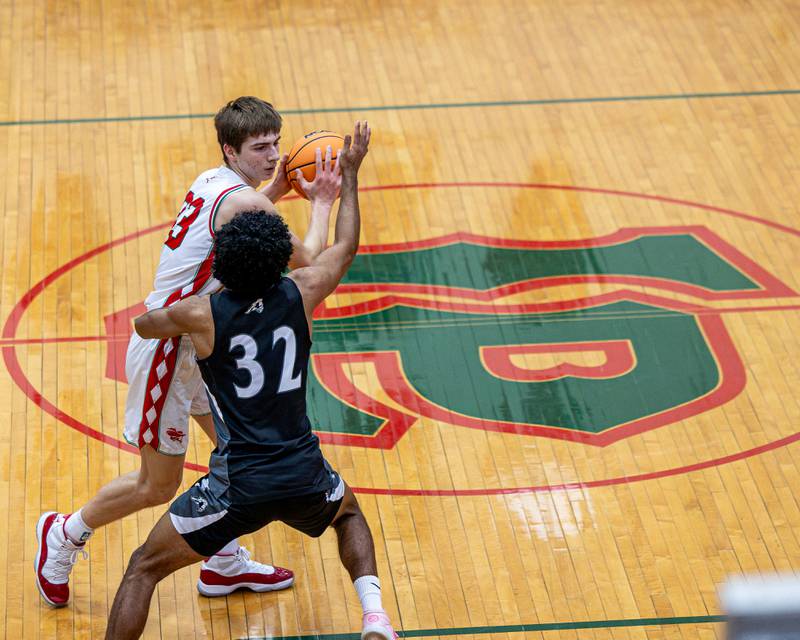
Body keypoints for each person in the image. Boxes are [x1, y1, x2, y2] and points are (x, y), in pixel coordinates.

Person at [35, 96, 344, 606]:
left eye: (275, 144)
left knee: (234, 449)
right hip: (168, 350)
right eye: (259, 148)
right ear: (230, 149)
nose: (273, 156)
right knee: (157, 485)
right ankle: (64, 534)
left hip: (203, 342)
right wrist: (323, 200)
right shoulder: (249, 202)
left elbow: (240, 215)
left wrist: (275, 189)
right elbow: (307, 259)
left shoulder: (213, 181)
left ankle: (221, 563)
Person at [104, 122, 396, 640]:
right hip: (303, 469)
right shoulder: (301, 291)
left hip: (237, 485)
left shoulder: (202, 315)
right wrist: (347, 177)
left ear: (227, 261)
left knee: (142, 568)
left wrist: (183, 293)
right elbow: (345, 246)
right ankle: (375, 617)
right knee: (349, 515)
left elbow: (147, 323)